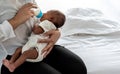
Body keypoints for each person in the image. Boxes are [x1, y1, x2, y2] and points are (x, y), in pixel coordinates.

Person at [0, 0, 87, 74]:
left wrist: (57, 32)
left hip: (39, 44)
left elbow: (41, 19)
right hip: (14, 54)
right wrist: (16, 20)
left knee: (78, 68)